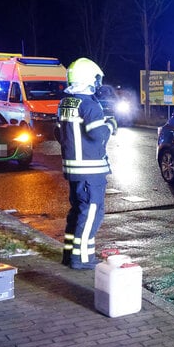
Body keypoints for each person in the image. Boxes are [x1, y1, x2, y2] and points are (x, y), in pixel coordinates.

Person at [57, 58, 117, 270]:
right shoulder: (90, 105)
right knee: (91, 213)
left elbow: (58, 133)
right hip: (90, 172)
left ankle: (70, 254)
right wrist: (110, 124)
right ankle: (82, 259)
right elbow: (97, 135)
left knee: (77, 213)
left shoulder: (65, 103)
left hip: (73, 171)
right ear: (90, 79)